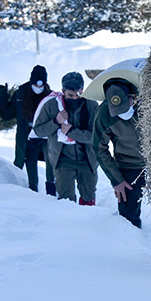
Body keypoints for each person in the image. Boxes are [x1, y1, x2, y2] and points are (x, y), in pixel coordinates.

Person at [33, 72, 99, 205]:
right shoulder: (52, 105)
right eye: (70, 95)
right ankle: (69, 224)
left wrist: (71, 131)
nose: (75, 98)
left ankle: (88, 223)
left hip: (87, 159)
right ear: (63, 91)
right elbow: (38, 130)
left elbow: (95, 136)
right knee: (66, 201)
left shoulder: (92, 106)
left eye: (78, 94)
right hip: (63, 160)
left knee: (89, 198)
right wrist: (56, 121)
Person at [92, 80, 146, 228]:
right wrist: (117, 180)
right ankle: (133, 242)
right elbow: (98, 148)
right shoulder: (103, 113)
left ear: (132, 97)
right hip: (129, 165)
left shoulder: (149, 102)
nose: (123, 114)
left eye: (126, 108)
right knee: (128, 215)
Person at [0, 65, 56, 195]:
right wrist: (3, 96)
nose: (38, 87)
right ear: (31, 81)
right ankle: (32, 194)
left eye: (41, 84)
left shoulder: (50, 96)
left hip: (45, 137)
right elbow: (7, 115)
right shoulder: (20, 95)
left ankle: (51, 192)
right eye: (36, 84)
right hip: (27, 138)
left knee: (51, 162)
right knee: (31, 167)